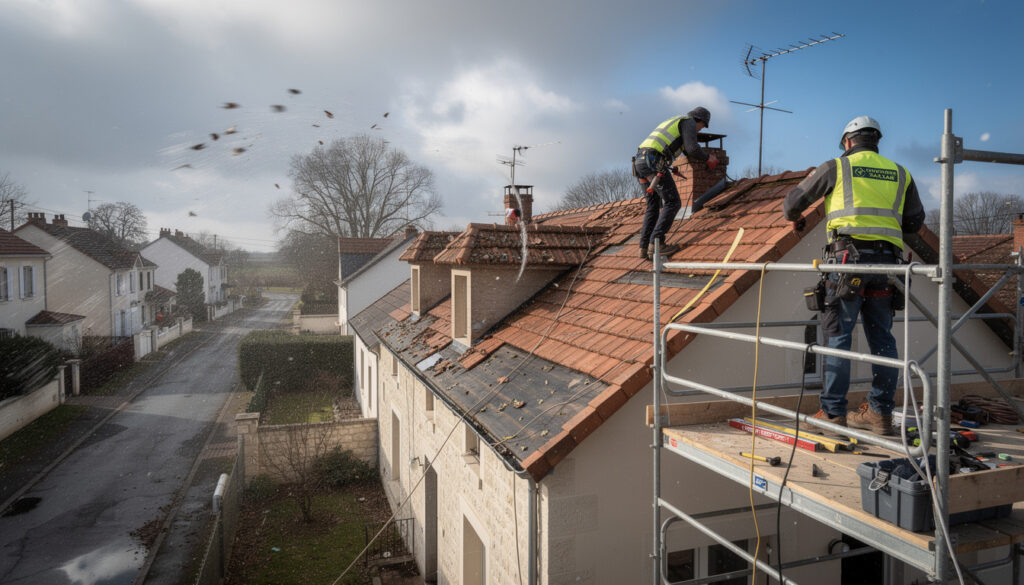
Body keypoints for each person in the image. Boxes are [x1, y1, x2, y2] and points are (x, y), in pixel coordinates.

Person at [784, 116, 925, 436]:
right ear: (876, 141)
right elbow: (914, 222)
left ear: (847, 142)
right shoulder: (901, 173)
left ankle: (834, 415)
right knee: (883, 340)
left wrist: (798, 216)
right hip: (887, 267)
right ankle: (880, 414)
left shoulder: (837, 167)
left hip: (848, 263)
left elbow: (791, 204)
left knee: (837, 339)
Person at [633, 107, 718, 260]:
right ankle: (657, 243)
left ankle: (643, 248)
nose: (699, 131)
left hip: (640, 162)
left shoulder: (675, 120)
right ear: (700, 120)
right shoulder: (689, 122)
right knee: (673, 202)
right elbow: (693, 148)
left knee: (653, 206)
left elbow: (682, 148)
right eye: (703, 126)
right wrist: (708, 158)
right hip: (653, 161)